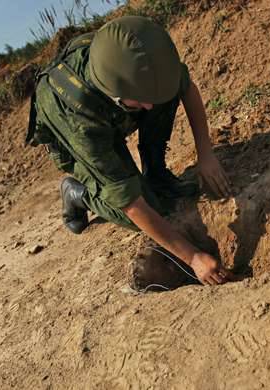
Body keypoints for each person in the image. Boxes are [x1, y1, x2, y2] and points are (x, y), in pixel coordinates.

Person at [27, 16, 232, 286]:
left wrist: (206, 154)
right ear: (114, 91)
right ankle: (78, 193)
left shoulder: (145, 63)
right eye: (141, 99)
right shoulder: (80, 123)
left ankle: (156, 174)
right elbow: (131, 204)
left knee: (161, 97)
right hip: (74, 137)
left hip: (114, 108)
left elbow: (185, 88)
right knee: (147, 211)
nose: (149, 106)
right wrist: (193, 258)